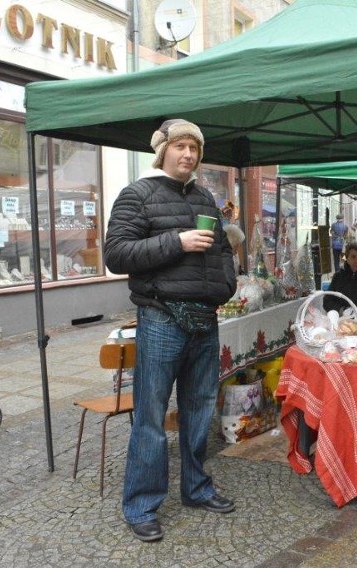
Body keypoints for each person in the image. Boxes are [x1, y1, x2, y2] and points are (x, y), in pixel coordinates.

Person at [103, 119, 238, 543]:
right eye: (180, 146)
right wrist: (176, 242)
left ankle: (196, 489)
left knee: (199, 410)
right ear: (162, 150)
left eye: (194, 148)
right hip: (160, 317)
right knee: (151, 415)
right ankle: (141, 505)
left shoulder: (204, 196)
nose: (189, 155)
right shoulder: (137, 194)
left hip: (204, 318)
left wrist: (225, 286)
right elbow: (116, 254)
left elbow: (222, 251)